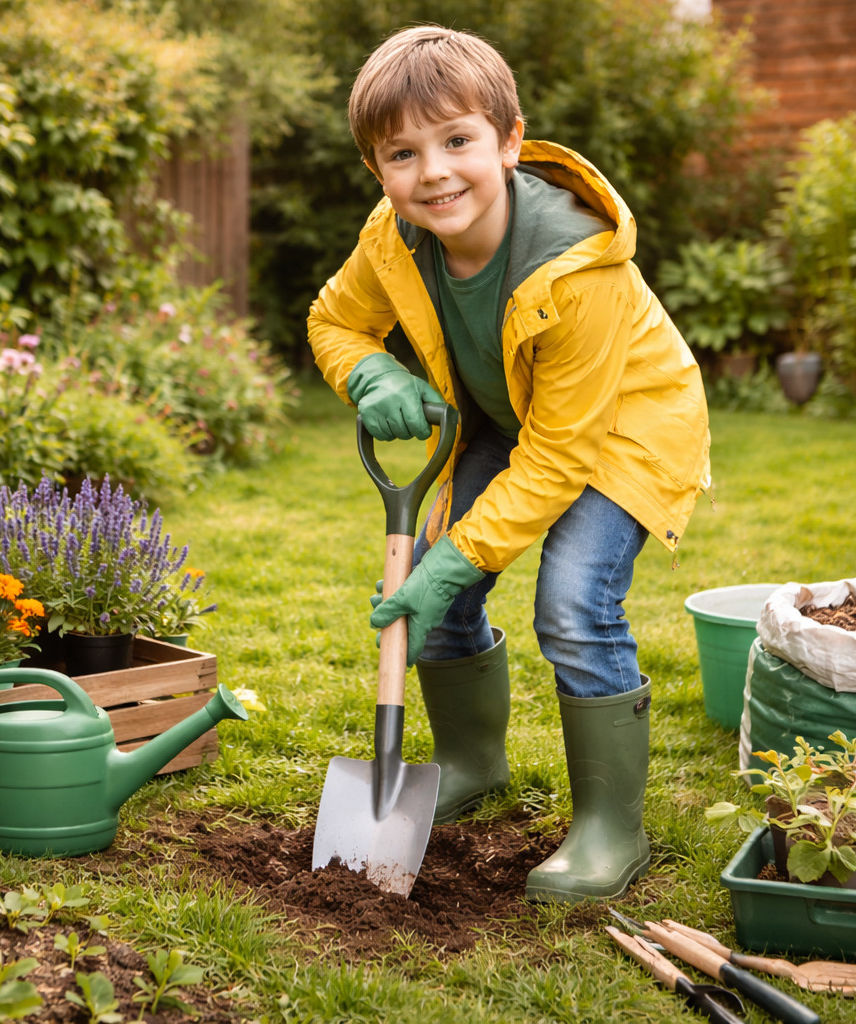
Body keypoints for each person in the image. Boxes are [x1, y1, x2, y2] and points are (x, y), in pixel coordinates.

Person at [307, 25, 711, 903]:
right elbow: (334, 321)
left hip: (624, 429)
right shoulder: (393, 236)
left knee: (572, 602)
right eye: (403, 153)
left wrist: (455, 558)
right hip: (507, 413)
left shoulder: (577, 268)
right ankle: (471, 761)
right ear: (377, 169)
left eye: (457, 140)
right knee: (436, 586)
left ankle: (611, 828)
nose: (434, 173)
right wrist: (370, 370)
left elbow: (560, 456)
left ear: (509, 140)